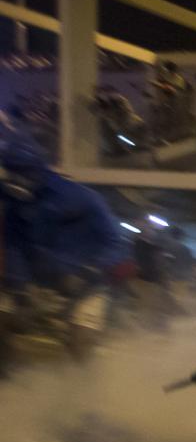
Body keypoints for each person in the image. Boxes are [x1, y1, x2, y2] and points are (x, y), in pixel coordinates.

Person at [0, 124, 126, 360]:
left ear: (37, 168)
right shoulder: (14, 204)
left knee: (82, 342)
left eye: (21, 170)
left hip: (85, 285)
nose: (14, 178)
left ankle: (85, 391)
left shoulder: (81, 198)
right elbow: (13, 244)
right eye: (10, 170)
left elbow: (115, 243)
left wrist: (88, 272)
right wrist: (20, 288)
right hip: (38, 285)